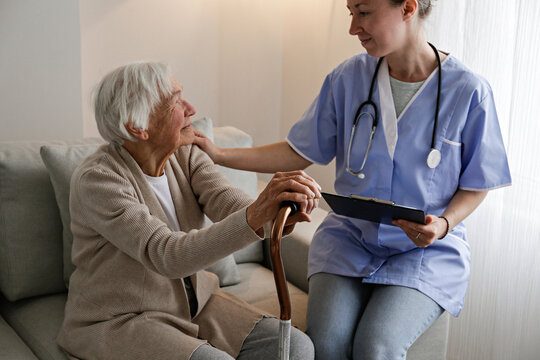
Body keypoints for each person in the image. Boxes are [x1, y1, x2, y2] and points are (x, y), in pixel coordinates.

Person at [193, 0, 512, 359]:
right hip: (350, 239)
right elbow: (300, 151)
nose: (353, 28)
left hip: (424, 250)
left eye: (363, 12)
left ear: (407, 8)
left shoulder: (468, 91)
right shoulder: (347, 79)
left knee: (376, 346)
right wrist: (220, 154)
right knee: (326, 345)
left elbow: (477, 183)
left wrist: (443, 223)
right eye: (350, 13)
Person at [56, 62, 319, 360]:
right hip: (124, 316)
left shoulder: (186, 152)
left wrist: (279, 212)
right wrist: (258, 212)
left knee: (297, 348)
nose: (191, 108)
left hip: (197, 303)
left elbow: (229, 204)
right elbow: (167, 255)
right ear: (137, 127)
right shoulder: (99, 180)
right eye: (176, 102)